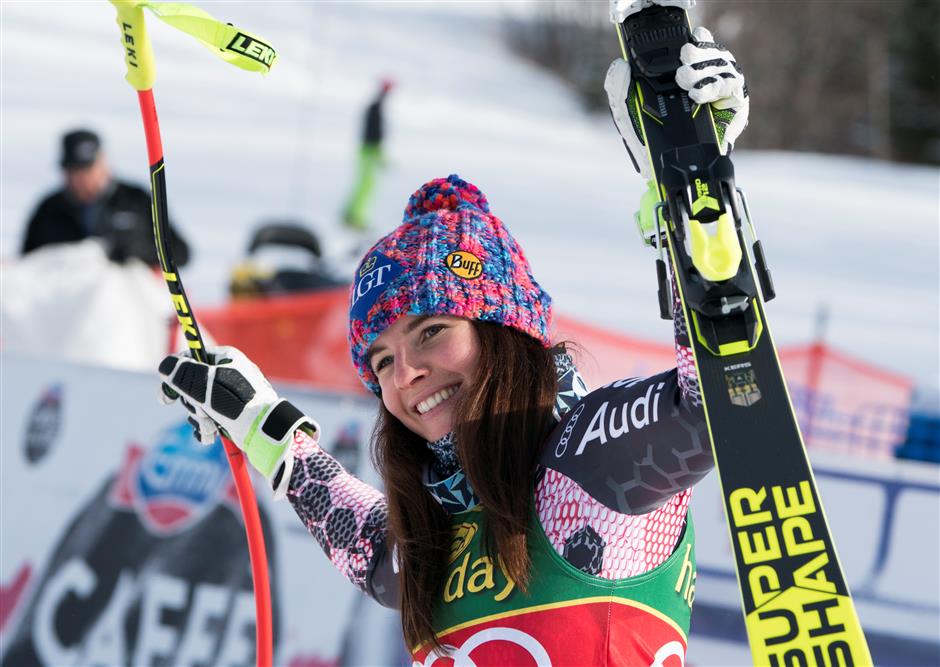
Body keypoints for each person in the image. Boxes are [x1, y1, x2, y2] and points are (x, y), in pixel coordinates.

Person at [157, 11, 748, 664]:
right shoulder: (433, 534)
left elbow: (713, 405)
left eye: (431, 330)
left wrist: (690, 187)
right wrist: (266, 429)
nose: (404, 374)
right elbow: (365, 542)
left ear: (505, 332)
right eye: (380, 361)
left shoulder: (584, 471)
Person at [22, 128, 190, 268]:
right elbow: (27, 264)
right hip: (69, 301)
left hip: (132, 299)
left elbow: (180, 253)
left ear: (103, 163)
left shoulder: (136, 199)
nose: (80, 179)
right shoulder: (49, 209)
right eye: (73, 171)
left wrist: (137, 253)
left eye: (87, 170)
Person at [342, 78, 394, 232]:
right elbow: (375, 132)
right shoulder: (376, 107)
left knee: (365, 184)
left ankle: (352, 214)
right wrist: (378, 150)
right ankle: (355, 217)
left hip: (369, 148)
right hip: (370, 149)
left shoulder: (376, 106)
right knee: (367, 184)